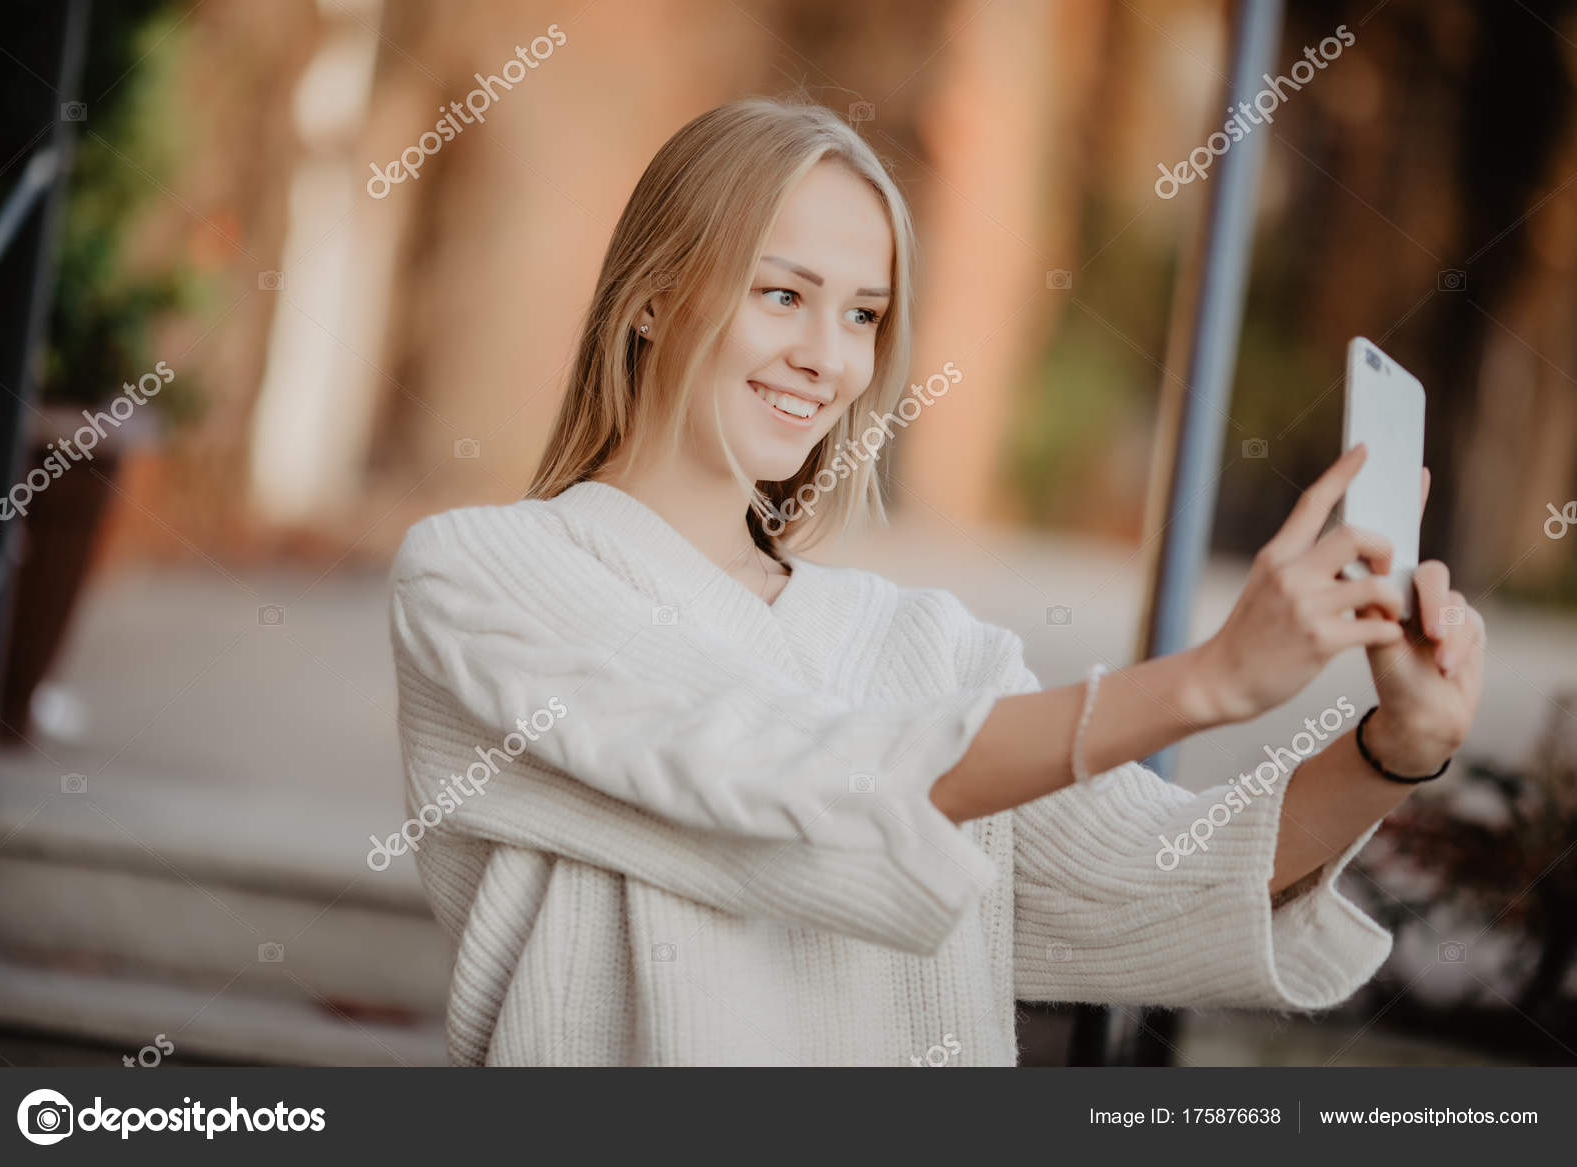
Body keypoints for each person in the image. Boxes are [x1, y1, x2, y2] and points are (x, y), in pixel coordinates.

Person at [387, 96, 1485, 1066]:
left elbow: (1157, 878)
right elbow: (767, 771)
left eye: (862, 314)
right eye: (783, 295)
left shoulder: (930, 647)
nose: (828, 357)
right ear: (649, 302)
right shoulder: (485, 575)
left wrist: (1398, 747)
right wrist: (1204, 682)